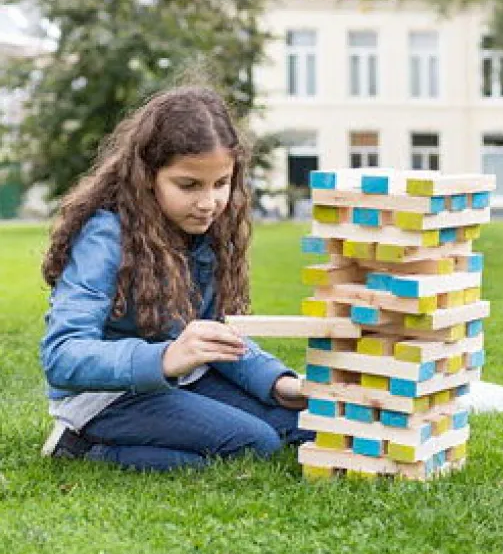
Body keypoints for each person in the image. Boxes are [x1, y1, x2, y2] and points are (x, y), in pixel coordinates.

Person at [39, 85, 312, 471]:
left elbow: (213, 333)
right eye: (188, 185)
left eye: (221, 184)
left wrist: (278, 384)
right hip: (106, 394)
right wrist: (165, 358)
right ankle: (81, 447)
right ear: (147, 177)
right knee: (255, 443)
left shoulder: (210, 232)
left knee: (306, 424)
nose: (208, 203)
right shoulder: (105, 235)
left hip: (181, 378)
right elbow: (62, 355)